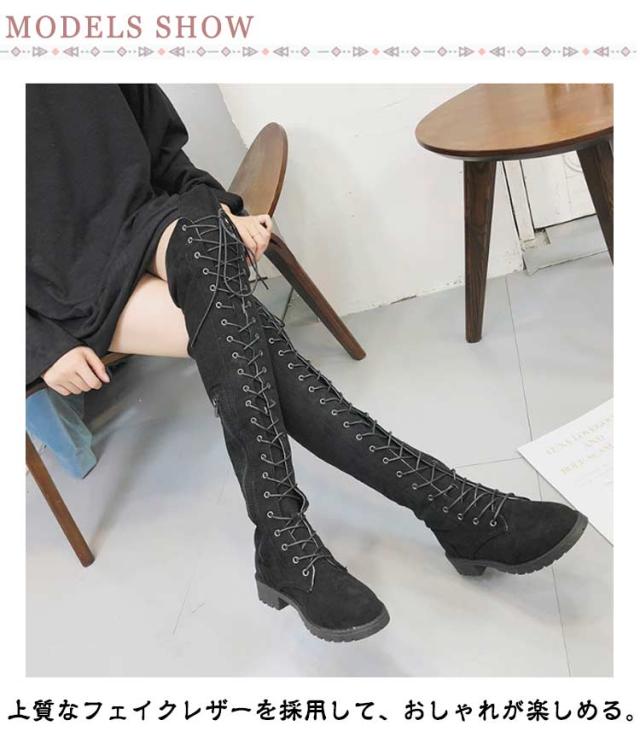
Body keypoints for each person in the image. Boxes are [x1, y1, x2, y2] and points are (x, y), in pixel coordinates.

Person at [27, 84, 588, 643]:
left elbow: (164, 153)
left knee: (211, 258)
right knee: (247, 339)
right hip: (55, 279)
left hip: (147, 223)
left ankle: (284, 540)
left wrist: (219, 211)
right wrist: (37, 345)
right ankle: (450, 506)